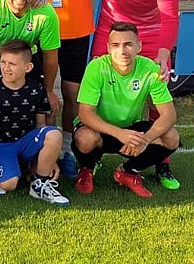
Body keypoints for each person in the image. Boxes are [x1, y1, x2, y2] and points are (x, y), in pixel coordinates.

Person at [24, 0, 173, 178]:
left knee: (72, 94)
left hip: (77, 31)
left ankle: (68, 149)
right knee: (38, 94)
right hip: (40, 30)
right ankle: (38, 150)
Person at [85, 0, 181, 188]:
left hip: (151, 35)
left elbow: (170, 15)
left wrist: (163, 53)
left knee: (157, 101)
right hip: (110, 33)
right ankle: (93, 155)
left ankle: (160, 162)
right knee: (98, 92)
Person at [72, 22, 179, 198]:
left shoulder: (151, 70)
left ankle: (128, 171)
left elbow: (169, 116)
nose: (122, 51)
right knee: (85, 138)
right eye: (116, 45)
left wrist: (146, 139)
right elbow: (85, 114)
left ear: (139, 46)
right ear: (108, 48)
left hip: (130, 127)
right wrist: (119, 133)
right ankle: (87, 168)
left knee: (171, 137)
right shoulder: (96, 67)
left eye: (128, 44)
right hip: (100, 128)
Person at [0, 40, 69, 206]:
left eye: (12, 64)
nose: (6, 68)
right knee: (9, 184)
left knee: (54, 133)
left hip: (26, 143)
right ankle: (0, 173)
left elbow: (41, 127)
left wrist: (51, 159)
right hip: (0, 146)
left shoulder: (37, 89)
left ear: (28, 67)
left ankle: (39, 183)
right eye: (3, 62)